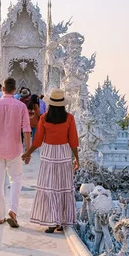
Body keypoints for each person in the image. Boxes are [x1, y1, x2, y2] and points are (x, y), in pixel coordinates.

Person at [22, 88, 79, 233]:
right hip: (63, 153)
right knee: (62, 187)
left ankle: (52, 222)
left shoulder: (44, 118)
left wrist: (27, 153)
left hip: (48, 153)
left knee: (49, 187)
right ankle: (60, 221)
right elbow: (73, 141)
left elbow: (38, 140)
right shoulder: (69, 118)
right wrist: (77, 158)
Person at [0, 77, 31, 228]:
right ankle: (13, 211)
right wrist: (28, 150)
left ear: (2, 89)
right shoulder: (21, 106)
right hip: (14, 149)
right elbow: (26, 130)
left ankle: (0, 216)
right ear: (15, 90)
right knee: (16, 180)